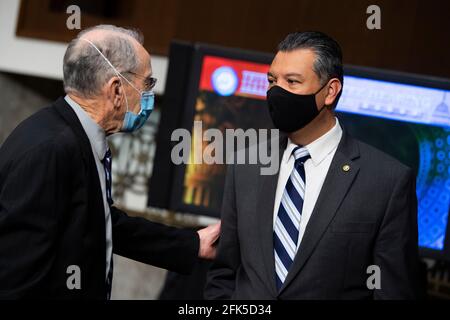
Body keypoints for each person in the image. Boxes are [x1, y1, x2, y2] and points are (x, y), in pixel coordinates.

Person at [0, 25, 220, 299]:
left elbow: (101, 222)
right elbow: (17, 277)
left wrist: (191, 244)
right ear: (116, 89)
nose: (149, 94)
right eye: (147, 83)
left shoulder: (75, 136)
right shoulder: (50, 149)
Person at [205, 31, 421, 299]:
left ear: (330, 91)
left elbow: (393, 292)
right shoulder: (246, 165)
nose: (276, 91)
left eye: (292, 82)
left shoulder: (387, 181)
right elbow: (224, 273)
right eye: (272, 81)